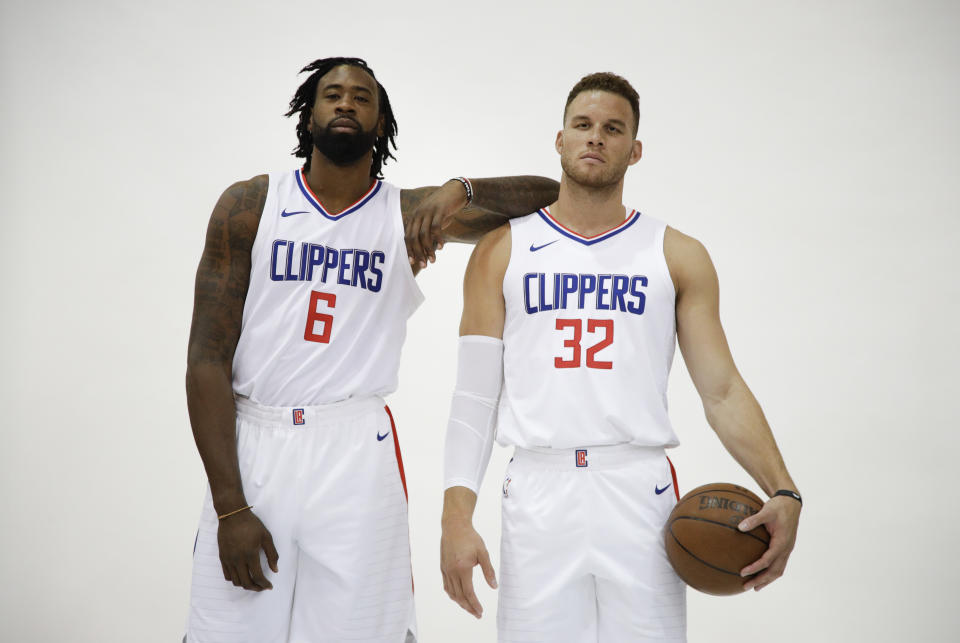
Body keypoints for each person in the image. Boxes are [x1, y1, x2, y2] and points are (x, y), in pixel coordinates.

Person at [183, 56, 558, 643]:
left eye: (362, 98)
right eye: (331, 95)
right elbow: (206, 358)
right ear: (309, 116)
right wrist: (231, 506)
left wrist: (461, 190)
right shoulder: (251, 204)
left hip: (354, 450)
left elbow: (555, 203)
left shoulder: (408, 215)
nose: (345, 104)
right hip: (255, 445)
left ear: (380, 124)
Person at [439, 72, 802, 642]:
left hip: (638, 491)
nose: (595, 138)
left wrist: (783, 488)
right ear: (558, 140)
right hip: (538, 488)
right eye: (582, 125)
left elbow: (722, 390)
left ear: (635, 150)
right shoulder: (501, 249)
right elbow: (475, 395)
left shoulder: (676, 254)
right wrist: (456, 516)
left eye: (613, 129)